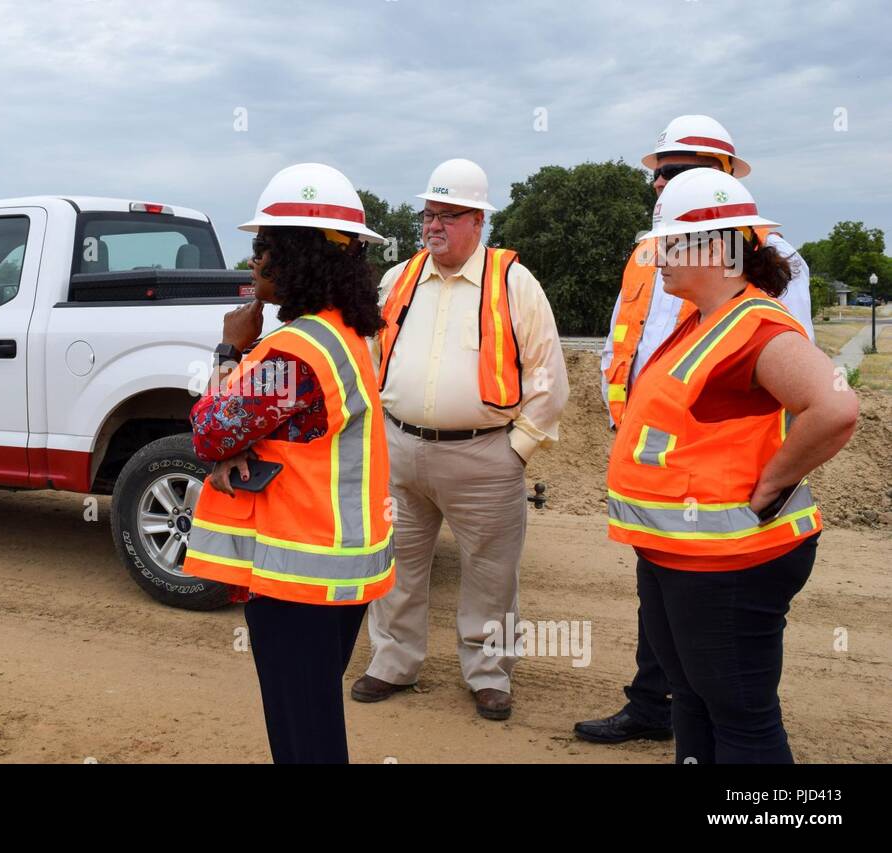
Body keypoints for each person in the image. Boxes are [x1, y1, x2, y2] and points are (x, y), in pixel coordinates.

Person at [605, 167, 858, 763]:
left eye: (670, 243)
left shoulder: (757, 327)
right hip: (680, 552)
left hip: (730, 562)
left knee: (741, 715)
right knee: (692, 698)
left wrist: (774, 480)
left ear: (715, 249)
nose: (657, 257)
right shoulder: (703, 322)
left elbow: (836, 407)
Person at [579, 115, 816, 744]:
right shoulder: (656, 255)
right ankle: (652, 704)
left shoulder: (764, 272)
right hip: (663, 473)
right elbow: (627, 343)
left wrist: (771, 484)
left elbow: (802, 387)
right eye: (659, 175)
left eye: (674, 175)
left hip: (720, 495)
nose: (660, 184)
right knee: (688, 674)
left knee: (732, 700)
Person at [183, 163, 395, 763]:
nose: (255, 263)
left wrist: (230, 348)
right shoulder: (342, 334)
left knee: (304, 736)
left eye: (264, 248)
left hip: (301, 576)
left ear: (299, 256)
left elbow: (209, 431)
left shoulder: (296, 354)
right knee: (314, 719)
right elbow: (267, 433)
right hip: (336, 568)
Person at [351, 158, 569, 720]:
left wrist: (515, 449)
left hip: (485, 454)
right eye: (429, 214)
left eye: (449, 215)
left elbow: (548, 376)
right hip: (401, 449)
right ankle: (393, 662)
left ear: (479, 221)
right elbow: (371, 358)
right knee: (397, 563)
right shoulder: (398, 279)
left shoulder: (514, 282)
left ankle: (489, 673)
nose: (434, 226)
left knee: (491, 575)